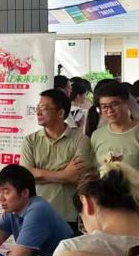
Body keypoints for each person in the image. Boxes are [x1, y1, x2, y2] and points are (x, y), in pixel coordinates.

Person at [20, 89, 93, 231]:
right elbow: (25, 176)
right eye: (37, 108)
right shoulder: (30, 141)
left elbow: (76, 177)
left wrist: (39, 175)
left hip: (69, 214)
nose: (38, 112)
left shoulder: (81, 140)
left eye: (43, 108)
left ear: (60, 113)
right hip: (36, 212)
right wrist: (64, 174)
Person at [0, 165, 74, 256]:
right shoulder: (13, 210)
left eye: (6, 192)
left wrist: (9, 255)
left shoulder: (38, 209)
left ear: (25, 193)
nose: (1, 198)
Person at [89, 81, 139, 190]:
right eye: (104, 107)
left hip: (138, 199)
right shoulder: (97, 136)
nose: (110, 111)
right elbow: (93, 170)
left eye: (114, 104)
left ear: (127, 103)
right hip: (106, 198)